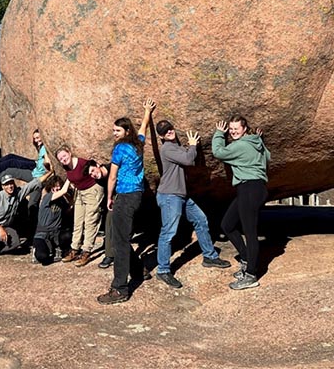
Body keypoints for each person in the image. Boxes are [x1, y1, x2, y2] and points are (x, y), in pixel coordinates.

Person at [153, 118, 231, 288]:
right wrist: (193, 145)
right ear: (161, 136)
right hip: (169, 196)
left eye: (170, 128)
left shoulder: (176, 146)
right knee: (168, 232)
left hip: (181, 195)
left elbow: (189, 159)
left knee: (201, 220)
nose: (169, 132)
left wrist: (189, 147)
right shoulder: (167, 149)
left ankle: (209, 256)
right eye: (165, 131)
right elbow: (189, 160)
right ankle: (163, 270)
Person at [97, 99, 155, 305]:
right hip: (137, 196)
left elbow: (112, 176)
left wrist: (109, 197)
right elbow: (144, 128)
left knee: (120, 242)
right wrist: (147, 111)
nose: (114, 134)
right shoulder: (138, 144)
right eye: (113, 130)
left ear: (126, 132)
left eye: (117, 131)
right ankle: (139, 271)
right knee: (122, 236)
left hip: (125, 196)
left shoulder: (120, 150)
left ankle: (120, 288)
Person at [211, 116, 271, 290]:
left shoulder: (241, 145)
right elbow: (267, 157)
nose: (233, 131)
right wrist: (261, 140)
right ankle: (245, 258)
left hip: (250, 189)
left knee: (250, 233)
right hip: (252, 189)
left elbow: (219, 152)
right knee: (227, 224)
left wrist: (219, 134)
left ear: (245, 129)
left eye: (236, 128)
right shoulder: (255, 142)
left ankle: (251, 275)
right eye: (230, 129)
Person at [56, 147, 105, 267]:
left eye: (64, 156)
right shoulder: (66, 166)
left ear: (69, 153)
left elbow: (97, 169)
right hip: (79, 193)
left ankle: (86, 251)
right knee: (77, 222)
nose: (64, 159)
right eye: (61, 159)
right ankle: (74, 249)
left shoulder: (82, 163)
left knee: (90, 222)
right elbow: (71, 178)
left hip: (92, 191)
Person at [0, 173, 44, 259]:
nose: (10, 186)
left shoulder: (18, 194)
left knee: (16, 242)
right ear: (3, 187)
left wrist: (49, 173)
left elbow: (32, 185)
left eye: (11, 183)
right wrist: (0, 229)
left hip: (6, 226)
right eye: (7, 184)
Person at [33, 172, 71, 265]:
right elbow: (63, 191)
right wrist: (70, 176)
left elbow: (71, 204)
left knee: (67, 235)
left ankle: (58, 249)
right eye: (54, 186)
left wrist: (65, 195)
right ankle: (37, 251)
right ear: (50, 187)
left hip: (55, 233)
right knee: (43, 257)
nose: (56, 188)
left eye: (59, 186)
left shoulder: (61, 200)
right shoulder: (47, 197)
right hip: (42, 233)